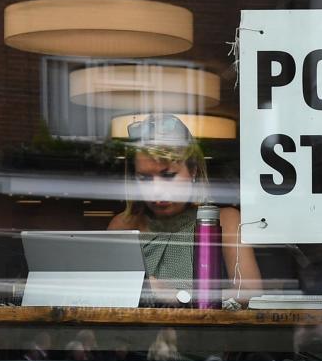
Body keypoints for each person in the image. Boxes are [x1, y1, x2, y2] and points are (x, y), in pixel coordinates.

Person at [107, 113, 261, 303]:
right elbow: (108, 295)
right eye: (145, 178)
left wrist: (178, 296)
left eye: (169, 175)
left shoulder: (224, 221)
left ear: (193, 170)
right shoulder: (123, 225)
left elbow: (250, 293)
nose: (156, 190)